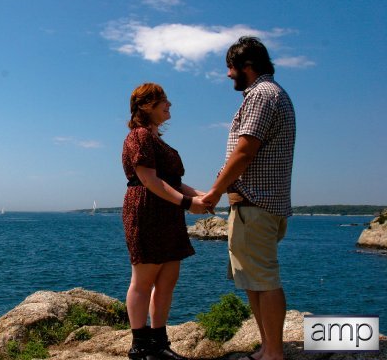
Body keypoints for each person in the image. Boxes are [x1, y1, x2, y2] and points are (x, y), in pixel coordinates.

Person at [203, 37, 296, 360]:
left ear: (247, 66)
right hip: (261, 203)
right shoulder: (273, 94)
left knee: (264, 280)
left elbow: (245, 150)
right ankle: (268, 346)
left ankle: (273, 352)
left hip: (256, 205)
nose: (228, 74)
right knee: (255, 280)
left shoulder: (261, 95)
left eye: (230, 67)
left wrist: (215, 192)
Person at [122, 82, 210, 360]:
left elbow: (173, 183)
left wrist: (203, 196)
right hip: (147, 212)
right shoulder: (138, 136)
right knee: (143, 279)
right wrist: (187, 203)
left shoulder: (156, 140)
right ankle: (140, 346)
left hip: (168, 213)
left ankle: (159, 343)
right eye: (164, 100)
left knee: (168, 279)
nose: (169, 104)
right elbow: (149, 180)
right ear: (147, 105)